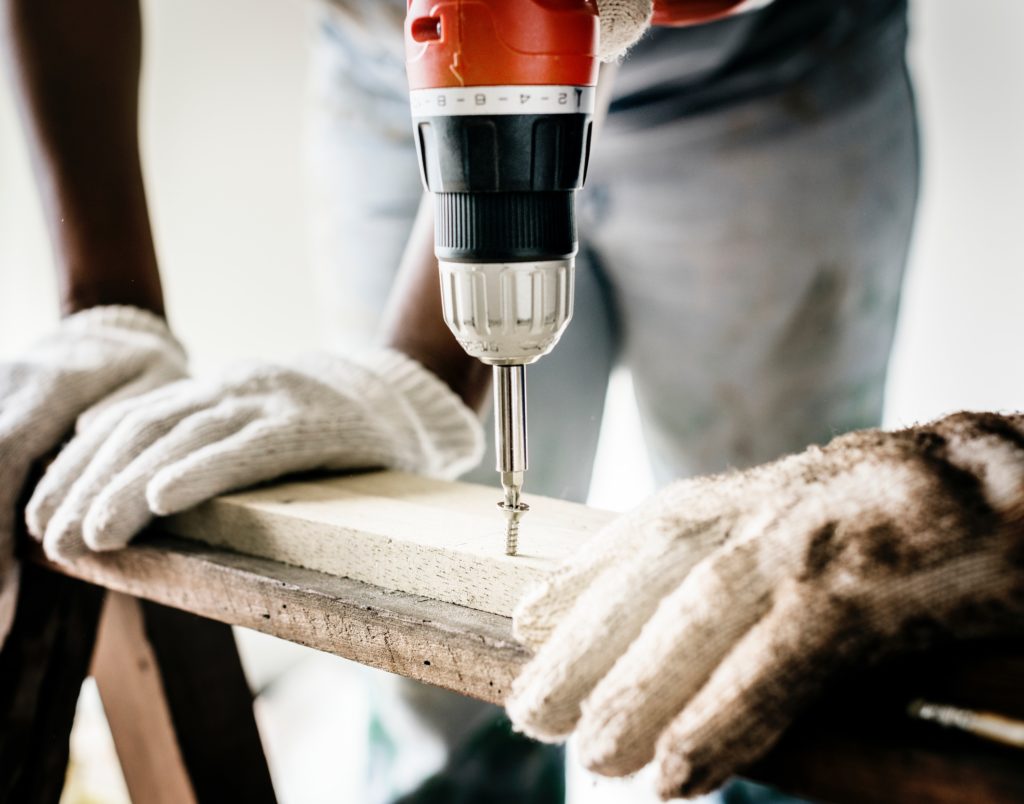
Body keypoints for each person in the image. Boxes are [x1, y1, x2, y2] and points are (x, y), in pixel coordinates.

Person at [0, 0, 1020, 802]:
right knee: (434, 673)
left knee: (761, 614)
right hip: (392, 71)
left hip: (768, 87)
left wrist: (426, 357)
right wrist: (106, 305)